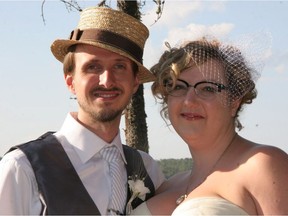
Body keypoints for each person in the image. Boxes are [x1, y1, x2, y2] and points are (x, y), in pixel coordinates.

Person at [0, 6, 165, 215]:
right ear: (71, 82)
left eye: (119, 66)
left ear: (134, 83)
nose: (107, 81)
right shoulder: (23, 169)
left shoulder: (149, 170)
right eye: (93, 67)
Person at [131, 38, 288, 215]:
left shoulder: (263, 165)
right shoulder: (169, 185)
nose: (189, 100)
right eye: (179, 87)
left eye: (207, 89)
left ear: (234, 102)